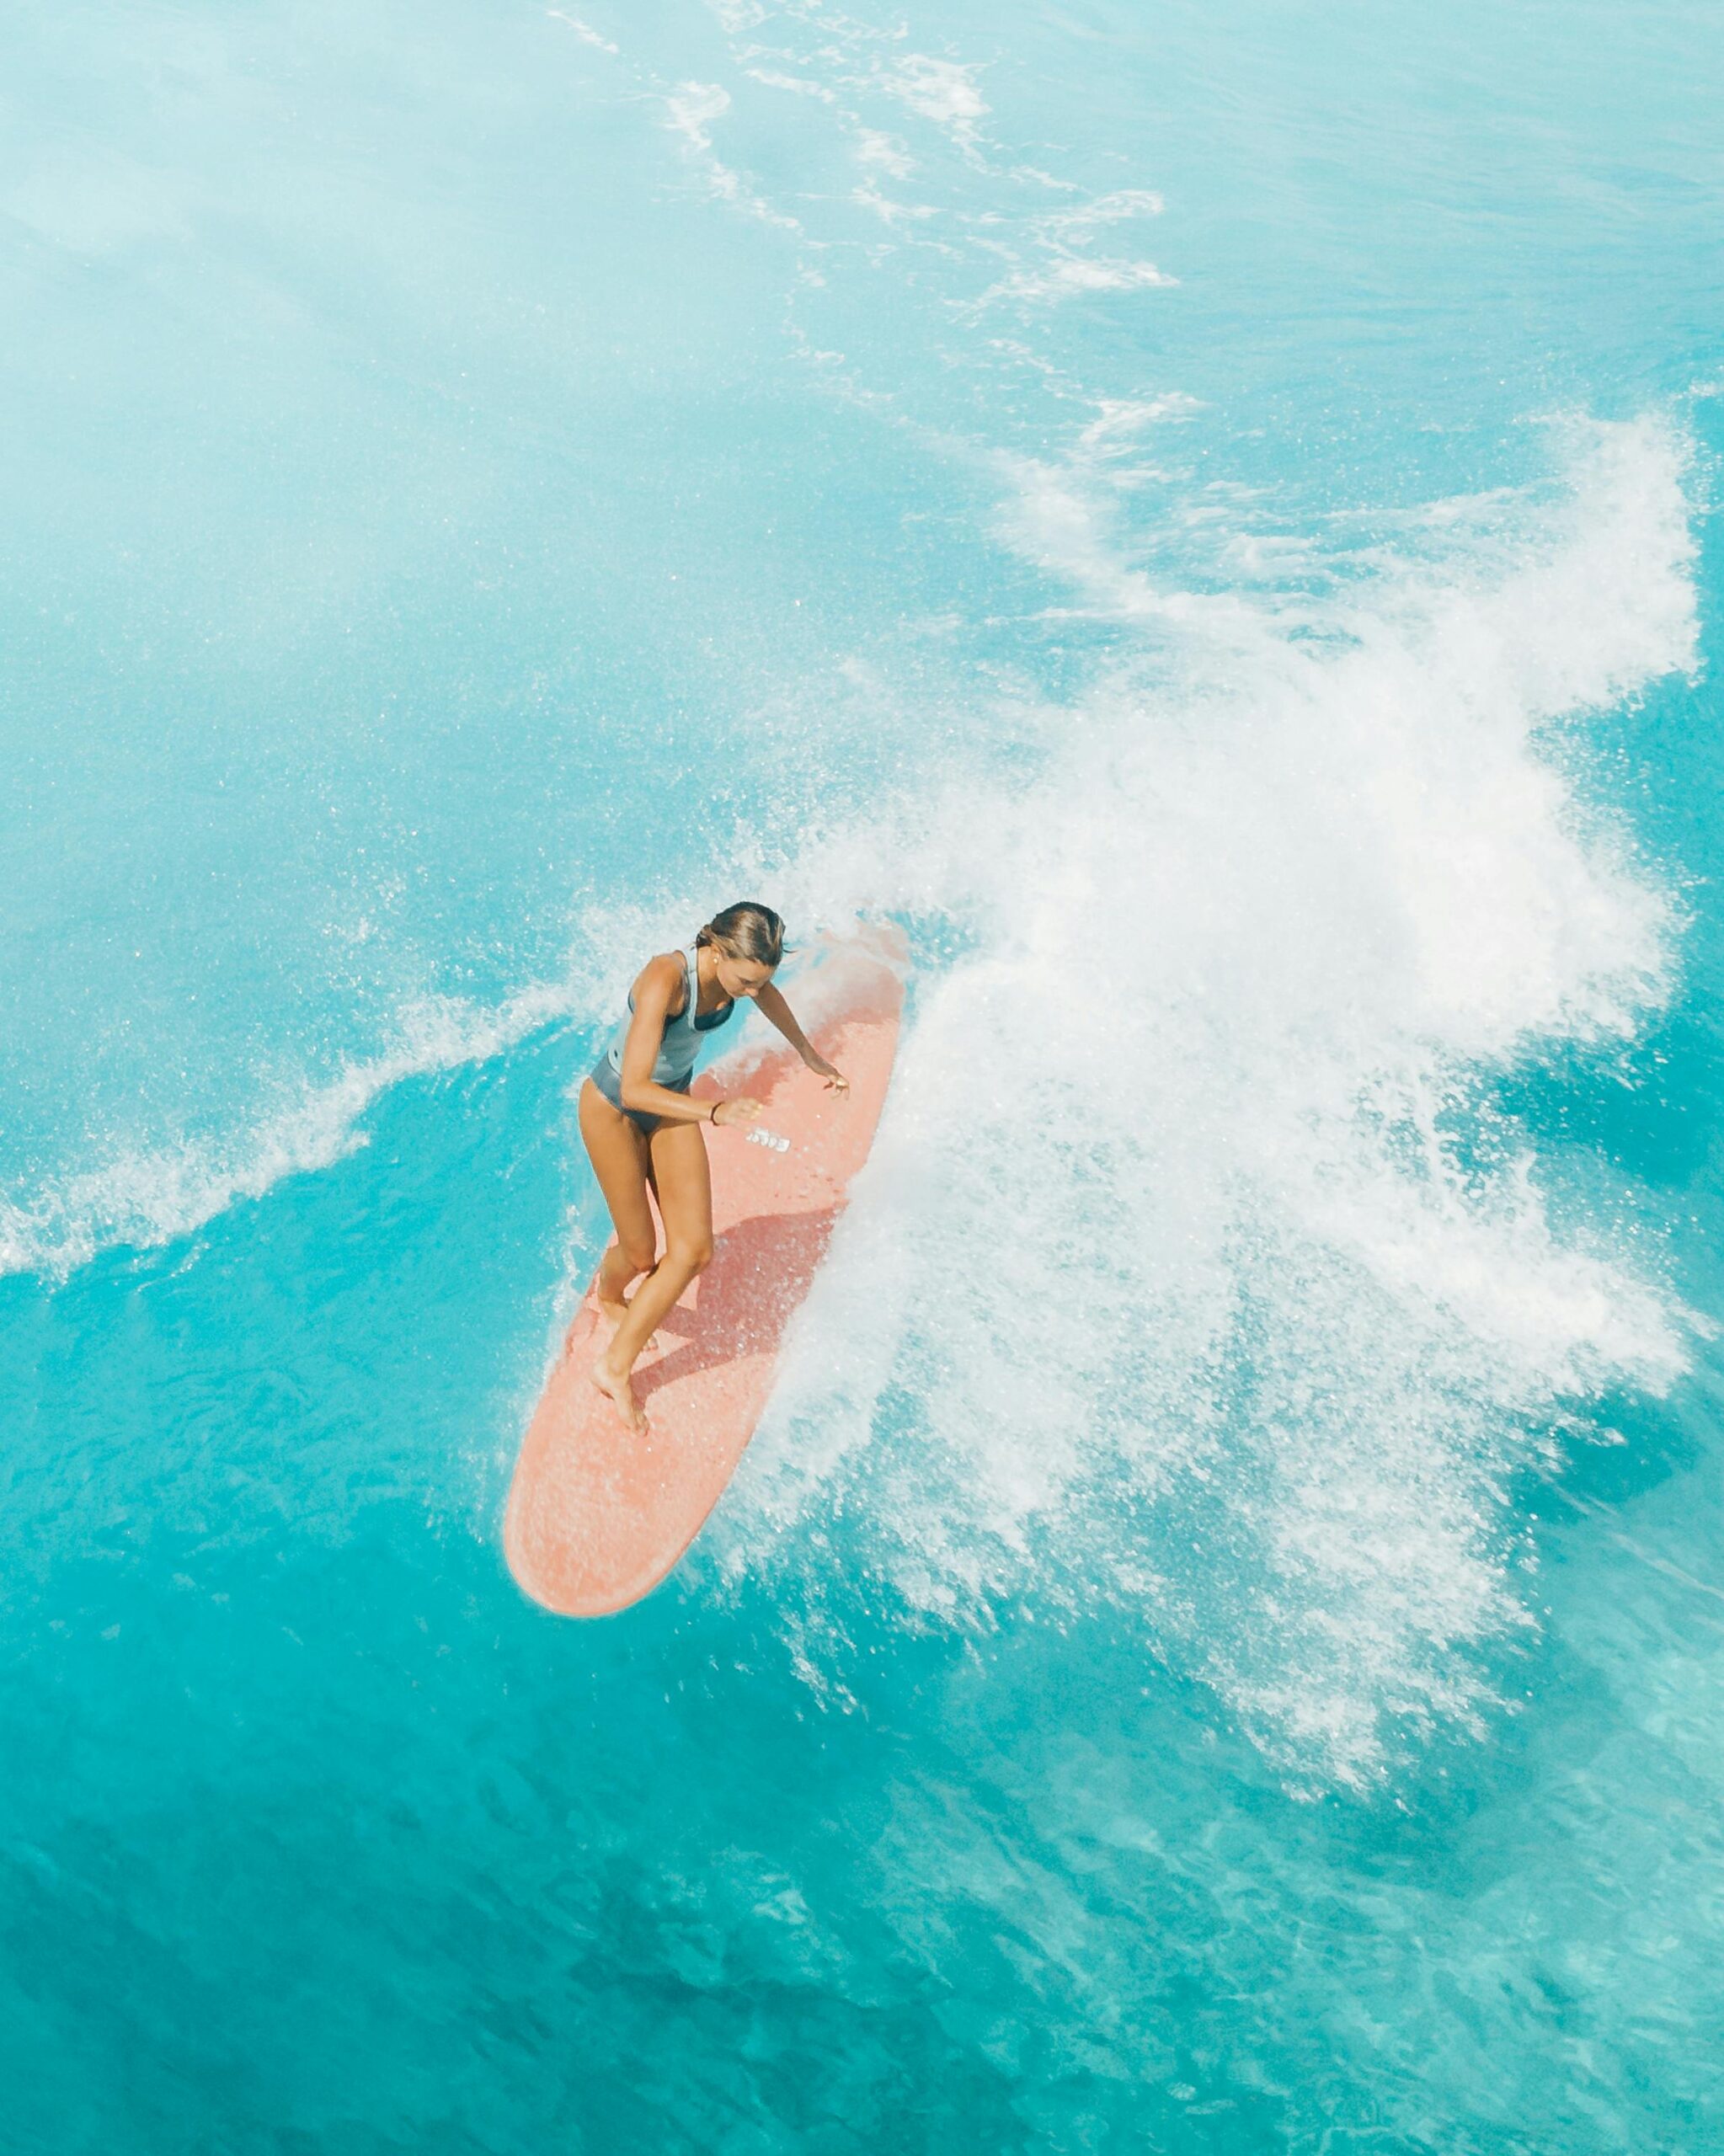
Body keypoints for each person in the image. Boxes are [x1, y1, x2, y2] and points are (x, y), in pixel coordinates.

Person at [579, 902, 848, 1430]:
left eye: (759, 981)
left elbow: (768, 995)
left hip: (670, 1103)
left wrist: (810, 1055)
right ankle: (608, 1295)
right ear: (718, 949)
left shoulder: (745, 977)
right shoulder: (665, 978)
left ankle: (613, 1367)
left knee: (694, 1249)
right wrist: (715, 1112)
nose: (751, 991)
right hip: (614, 1109)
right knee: (639, 1253)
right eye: (745, 980)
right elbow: (635, 1087)